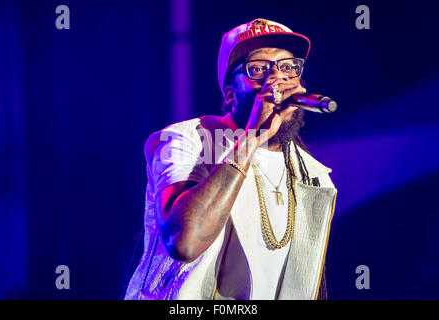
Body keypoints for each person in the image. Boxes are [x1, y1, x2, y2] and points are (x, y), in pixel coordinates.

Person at [124, 18, 337, 300]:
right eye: (259, 69)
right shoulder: (184, 139)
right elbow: (184, 243)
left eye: (288, 67)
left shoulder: (311, 173)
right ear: (230, 94)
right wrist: (251, 138)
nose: (278, 80)